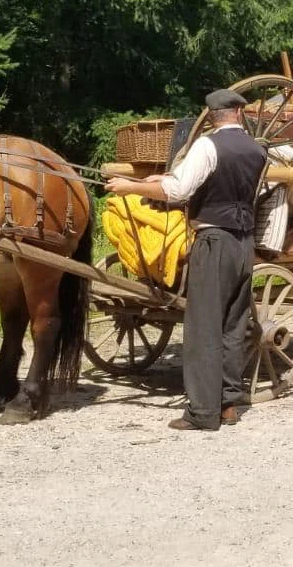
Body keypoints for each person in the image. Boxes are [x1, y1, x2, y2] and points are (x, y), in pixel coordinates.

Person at [106, 89, 267, 431]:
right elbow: (203, 182)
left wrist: (131, 187)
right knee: (232, 326)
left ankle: (202, 413)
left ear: (211, 116)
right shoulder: (257, 150)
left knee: (203, 327)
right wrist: (158, 180)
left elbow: (178, 192)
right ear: (239, 113)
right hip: (243, 243)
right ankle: (228, 404)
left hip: (214, 242)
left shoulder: (207, 146)